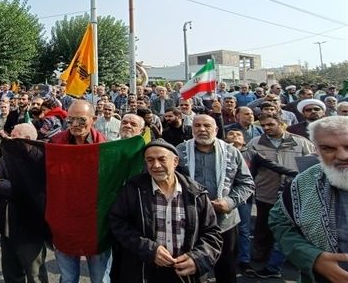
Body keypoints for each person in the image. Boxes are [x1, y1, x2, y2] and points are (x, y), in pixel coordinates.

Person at [109, 140, 223, 282]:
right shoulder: (133, 189)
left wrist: (197, 259)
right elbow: (118, 224)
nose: (156, 165)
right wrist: (149, 249)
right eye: (150, 160)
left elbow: (212, 233)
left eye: (162, 159)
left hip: (183, 272)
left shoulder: (196, 193)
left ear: (175, 161)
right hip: (144, 271)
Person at [175, 114, 255, 283]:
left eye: (207, 126)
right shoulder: (180, 151)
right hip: (189, 221)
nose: (202, 129)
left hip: (225, 221)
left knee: (226, 268)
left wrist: (229, 202)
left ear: (216, 130)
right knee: (191, 268)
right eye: (197, 126)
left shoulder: (232, 152)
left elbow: (247, 183)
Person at [269, 116, 348, 283]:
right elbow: (279, 223)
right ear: (317, 151)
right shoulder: (304, 182)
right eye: (328, 148)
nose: (342, 156)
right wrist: (314, 258)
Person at [246, 113, 315, 278]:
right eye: (263, 125)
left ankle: (282, 261)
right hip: (265, 192)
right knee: (263, 226)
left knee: (288, 227)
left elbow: (311, 167)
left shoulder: (301, 142)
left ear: (282, 124)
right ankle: (260, 254)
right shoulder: (255, 143)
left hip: (294, 193)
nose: (266, 128)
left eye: (270, 124)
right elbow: (249, 169)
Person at [49, 100, 109, 283]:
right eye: (70, 120)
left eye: (81, 120)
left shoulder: (105, 146)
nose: (75, 125)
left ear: (94, 119)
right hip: (65, 221)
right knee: (68, 278)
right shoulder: (55, 143)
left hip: (96, 223)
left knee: (100, 278)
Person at [225, 128, 298, 276]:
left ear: (244, 140)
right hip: (222, 197)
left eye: (238, 134)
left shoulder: (251, 154)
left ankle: (244, 260)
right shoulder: (221, 151)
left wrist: (298, 173)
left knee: (244, 229)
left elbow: (273, 165)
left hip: (243, 197)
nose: (234, 136)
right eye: (231, 134)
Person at [0, 123, 50, 283]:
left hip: (30, 231)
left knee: (35, 276)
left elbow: (30, 192)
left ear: (27, 140)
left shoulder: (41, 159)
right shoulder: (9, 154)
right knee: (11, 275)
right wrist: (0, 186)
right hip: (6, 228)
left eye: (14, 137)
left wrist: (0, 185)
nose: (9, 140)